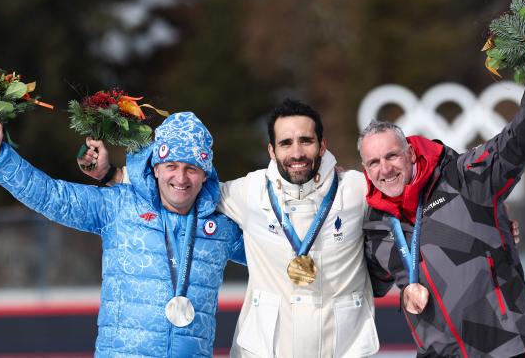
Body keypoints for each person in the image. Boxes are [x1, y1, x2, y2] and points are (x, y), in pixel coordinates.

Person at [81, 100, 380, 357]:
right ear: (272, 151)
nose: (297, 152)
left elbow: (399, 186)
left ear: (322, 146)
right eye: (286, 143)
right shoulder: (250, 192)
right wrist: (112, 174)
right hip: (265, 350)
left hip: (344, 348)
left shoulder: (356, 188)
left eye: (306, 141)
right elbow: (186, 186)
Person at [0, 112, 245, 357]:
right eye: (171, 165)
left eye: (192, 168)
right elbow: (53, 197)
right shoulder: (119, 207)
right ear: (156, 166)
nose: (181, 178)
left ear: (205, 174)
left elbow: (275, 255)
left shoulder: (222, 228)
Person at [359, 41, 525, 357]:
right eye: (374, 162)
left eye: (392, 156)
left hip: (505, 348)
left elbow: (520, 139)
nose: (385, 169)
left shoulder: (463, 177)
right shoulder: (374, 224)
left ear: (410, 153)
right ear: (365, 169)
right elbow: (362, 283)